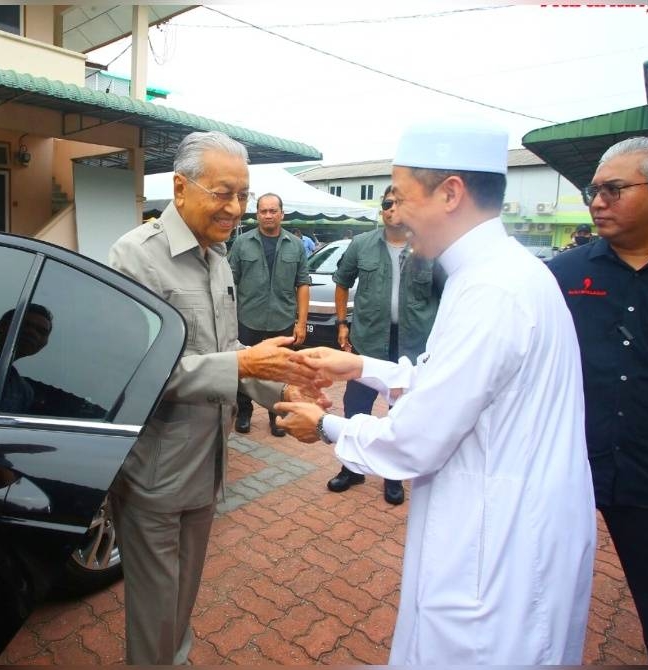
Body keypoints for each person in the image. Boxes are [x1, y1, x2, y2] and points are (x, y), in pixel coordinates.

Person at [275, 117, 596, 664]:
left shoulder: (491, 290)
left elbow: (415, 438)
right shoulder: (500, 273)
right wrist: (359, 365)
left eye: (399, 197)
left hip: (498, 544)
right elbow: (457, 383)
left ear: (451, 193)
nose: (394, 214)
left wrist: (326, 425)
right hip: (512, 518)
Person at [106, 130, 326, 665]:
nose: (235, 208)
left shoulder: (219, 259)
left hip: (207, 467)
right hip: (154, 475)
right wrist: (243, 364)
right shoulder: (136, 258)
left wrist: (279, 385)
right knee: (155, 616)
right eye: (223, 193)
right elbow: (133, 371)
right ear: (181, 188)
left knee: (181, 606)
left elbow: (225, 352)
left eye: (243, 196)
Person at [547, 136, 648, 664]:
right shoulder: (560, 277)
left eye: (613, 189)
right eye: (595, 190)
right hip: (562, 470)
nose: (596, 201)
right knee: (532, 595)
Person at [325, 184, 443, 503]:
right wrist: (342, 324)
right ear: (382, 208)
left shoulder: (430, 248)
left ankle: (393, 476)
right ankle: (352, 469)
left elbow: (447, 295)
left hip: (411, 346)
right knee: (355, 407)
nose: (393, 208)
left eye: (400, 203)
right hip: (368, 341)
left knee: (400, 413)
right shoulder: (362, 245)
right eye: (388, 203)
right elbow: (342, 282)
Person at [229, 193, 311, 437]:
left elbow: (303, 283)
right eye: (263, 211)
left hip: (282, 320)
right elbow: (230, 283)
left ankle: (276, 416)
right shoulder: (242, 243)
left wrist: (302, 323)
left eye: (273, 210)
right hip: (247, 319)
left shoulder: (295, 245)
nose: (268, 215)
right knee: (244, 370)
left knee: (279, 372)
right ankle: (244, 413)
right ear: (257, 214)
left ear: (282, 214)